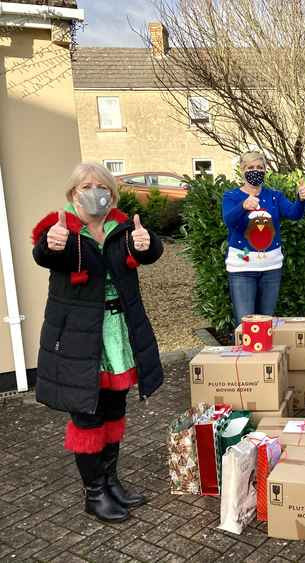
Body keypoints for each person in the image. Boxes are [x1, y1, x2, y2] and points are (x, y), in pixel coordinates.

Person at [32, 162, 164, 521]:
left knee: (114, 408)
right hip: (79, 339)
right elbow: (44, 253)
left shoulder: (122, 227)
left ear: (112, 193)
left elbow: (148, 253)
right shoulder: (60, 228)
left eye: (101, 186)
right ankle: (94, 494)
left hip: (117, 332)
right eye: (86, 186)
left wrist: (147, 244)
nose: (95, 192)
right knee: (87, 416)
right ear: (74, 193)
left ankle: (111, 482)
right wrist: (51, 242)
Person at [222, 151, 305, 324]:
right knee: (246, 324)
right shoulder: (231, 196)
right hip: (242, 268)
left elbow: (294, 214)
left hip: (271, 267)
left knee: (266, 323)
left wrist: (301, 199)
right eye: (251, 167)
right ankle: (246, 352)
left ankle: (264, 352)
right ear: (242, 170)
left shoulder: (274, 196)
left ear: (265, 170)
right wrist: (243, 206)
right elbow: (229, 221)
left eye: (260, 167)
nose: (256, 171)